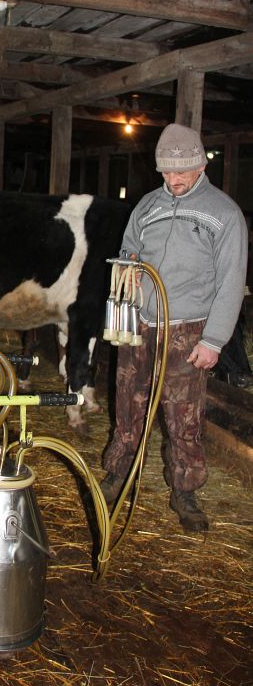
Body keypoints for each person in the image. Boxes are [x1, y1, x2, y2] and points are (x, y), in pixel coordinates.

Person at [101, 123, 248, 532]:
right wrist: (128, 263)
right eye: (165, 172)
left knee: (183, 413)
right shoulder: (147, 206)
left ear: (201, 165)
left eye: (180, 172)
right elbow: (129, 247)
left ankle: (185, 489)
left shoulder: (224, 213)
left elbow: (232, 280)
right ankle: (118, 473)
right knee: (128, 401)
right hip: (141, 323)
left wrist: (215, 339)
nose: (173, 180)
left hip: (187, 329)